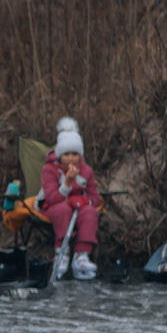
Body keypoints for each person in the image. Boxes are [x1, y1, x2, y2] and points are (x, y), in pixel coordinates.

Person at [41, 117, 100, 281]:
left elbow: (94, 197)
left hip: (79, 209)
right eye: (66, 154)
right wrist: (67, 183)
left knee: (90, 212)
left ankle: (81, 256)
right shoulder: (49, 170)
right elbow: (52, 198)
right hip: (55, 207)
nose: (71, 158)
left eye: (75, 154)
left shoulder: (86, 171)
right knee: (62, 209)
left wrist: (84, 202)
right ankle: (63, 252)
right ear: (60, 155)